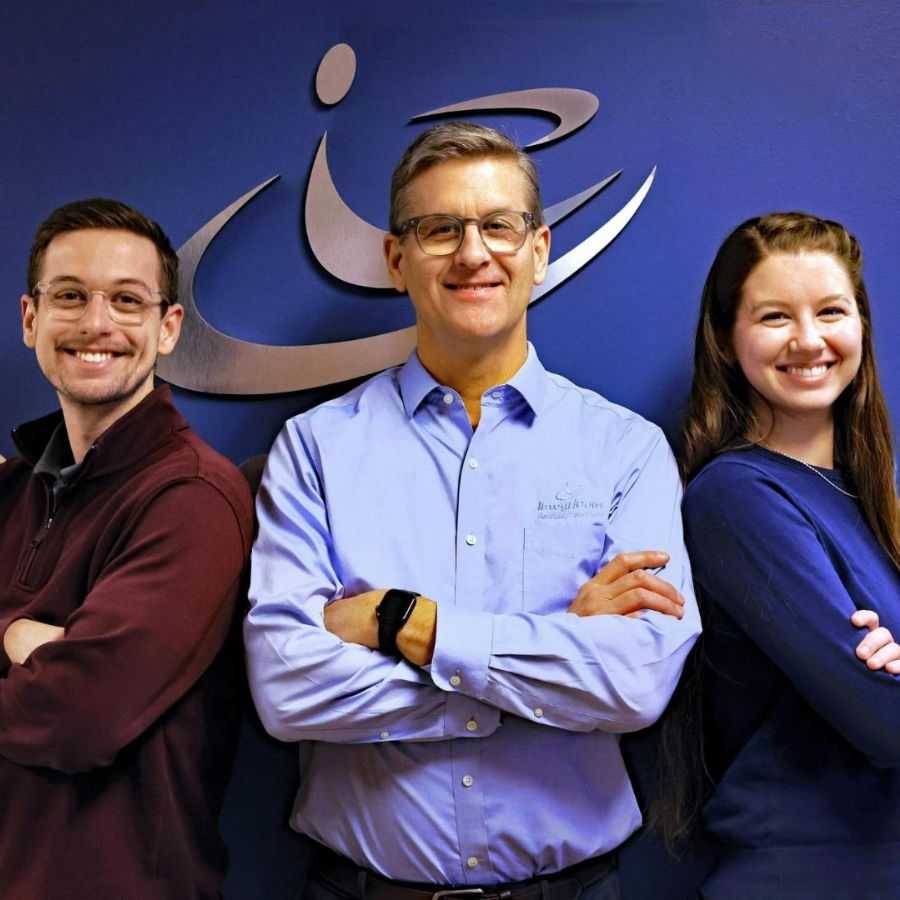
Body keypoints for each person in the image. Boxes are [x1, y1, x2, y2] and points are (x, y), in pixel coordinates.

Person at [245, 122, 700, 900]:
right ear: (396, 258)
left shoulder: (626, 451)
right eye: (439, 229)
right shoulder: (314, 450)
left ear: (540, 248)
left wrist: (404, 623)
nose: (473, 252)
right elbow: (287, 692)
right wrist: (550, 661)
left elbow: (633, 686)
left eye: (499, 225)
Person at [0, 199, 254, 900]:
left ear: (167, 328)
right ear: (31, 319)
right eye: (71, 297)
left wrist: (47, 660)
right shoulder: (13, 492)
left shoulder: (192, 499)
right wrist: (16, 638)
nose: (97, 324)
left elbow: (77, 718)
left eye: (127, 300)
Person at [658, 212, 900, 899]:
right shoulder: (737, 497)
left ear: (860, 326)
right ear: (729, 341)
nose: (808, 339)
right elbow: (884, 719)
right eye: (773, 317)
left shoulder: (869, 496)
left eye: (830, 310)